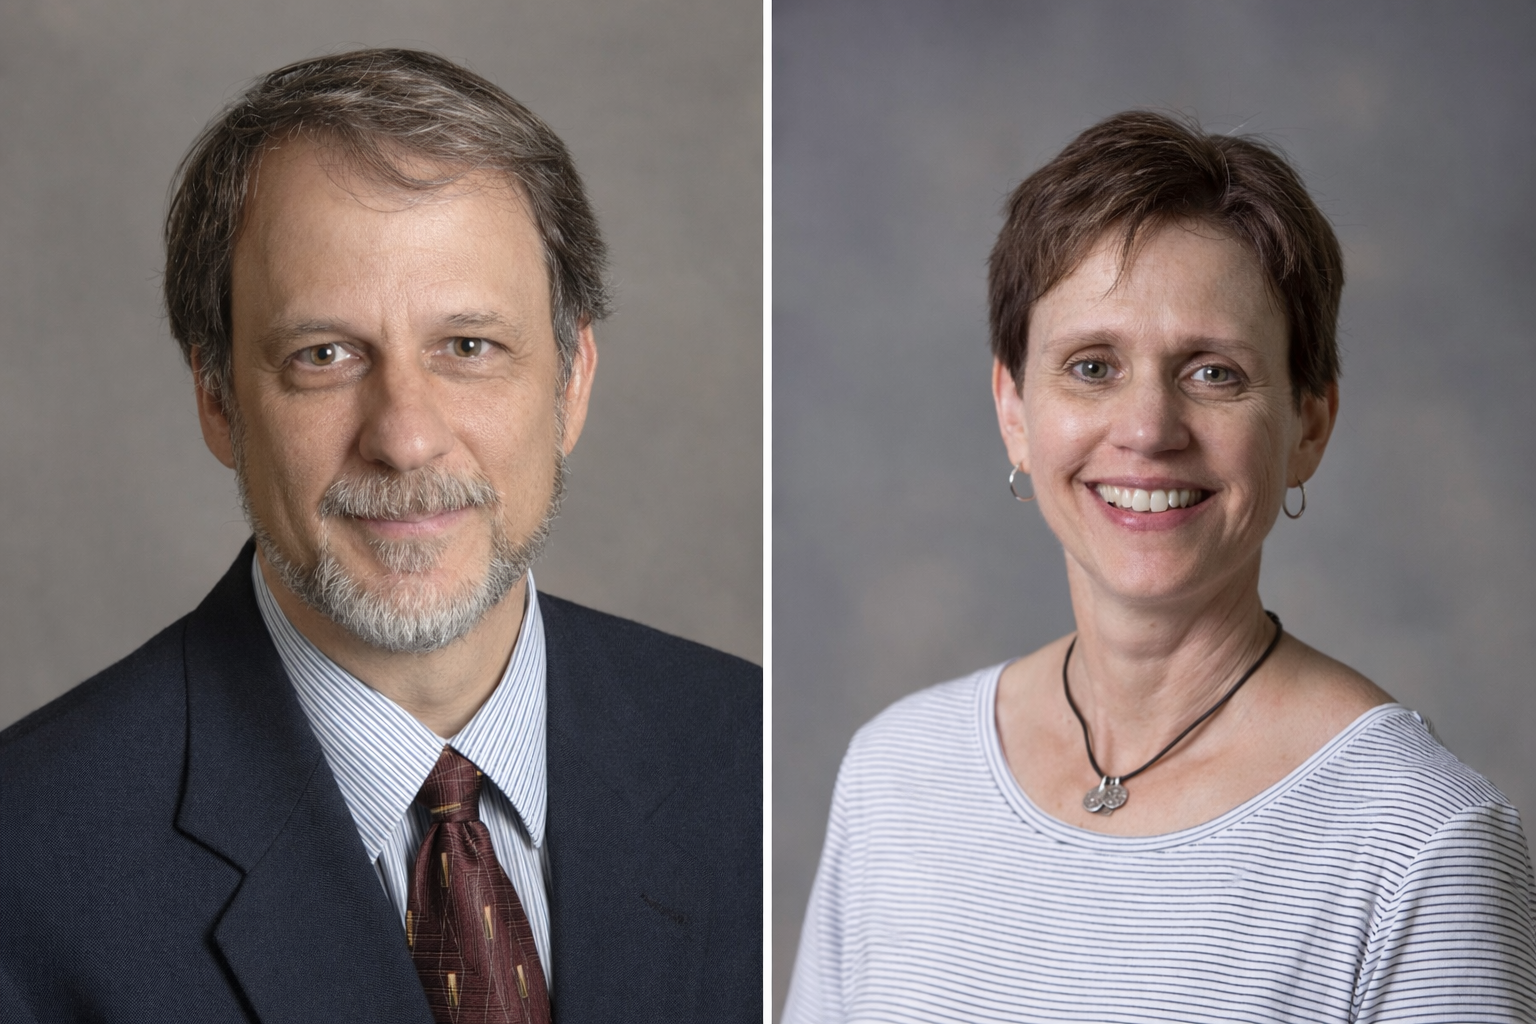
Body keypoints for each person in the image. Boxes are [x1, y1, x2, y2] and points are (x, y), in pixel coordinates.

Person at [0, 49, 759, 1024]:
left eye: (469, 347)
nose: (404, 435)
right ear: (217, 397)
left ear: (570, 383)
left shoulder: (750, 758)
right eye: (325, 355)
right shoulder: (27, 865)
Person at [784, 111, 1535, 1022]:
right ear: (1014, 409)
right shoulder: (894, 776)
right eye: (1093, 366)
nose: (1147, 430)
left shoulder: (1419, 841)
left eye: (1213, 372)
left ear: (1309, 425)